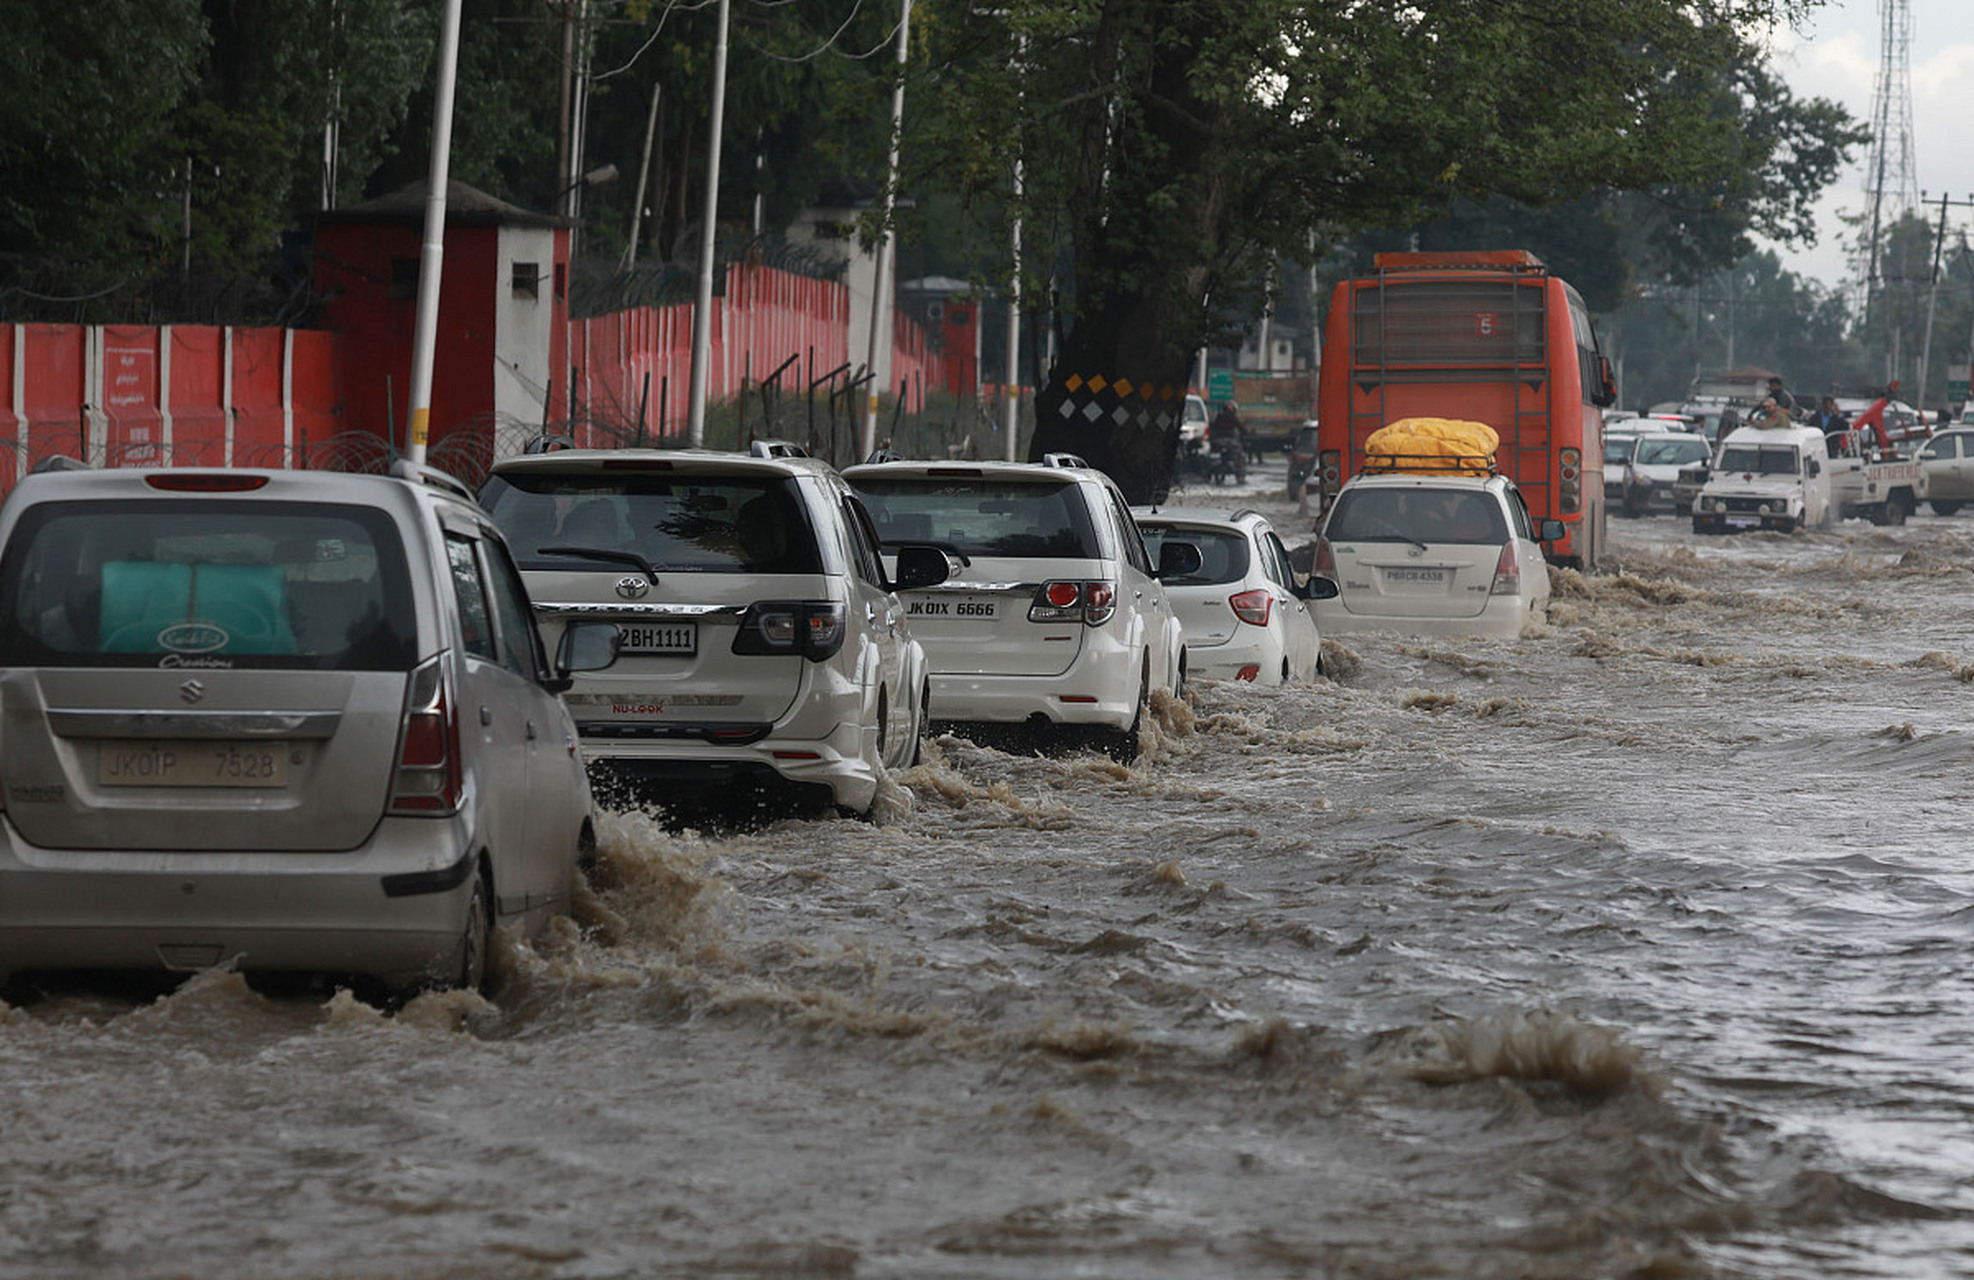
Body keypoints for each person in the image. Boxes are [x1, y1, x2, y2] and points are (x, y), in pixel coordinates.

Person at [1208, 402, 1246, 482]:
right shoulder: (1233, 417)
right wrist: (1246, 432)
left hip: (1217, 441)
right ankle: (1240, 477)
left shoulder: (1218, 416)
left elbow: (1212, 425)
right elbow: (1241, 427)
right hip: (1230, 441)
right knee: (1241, 457)